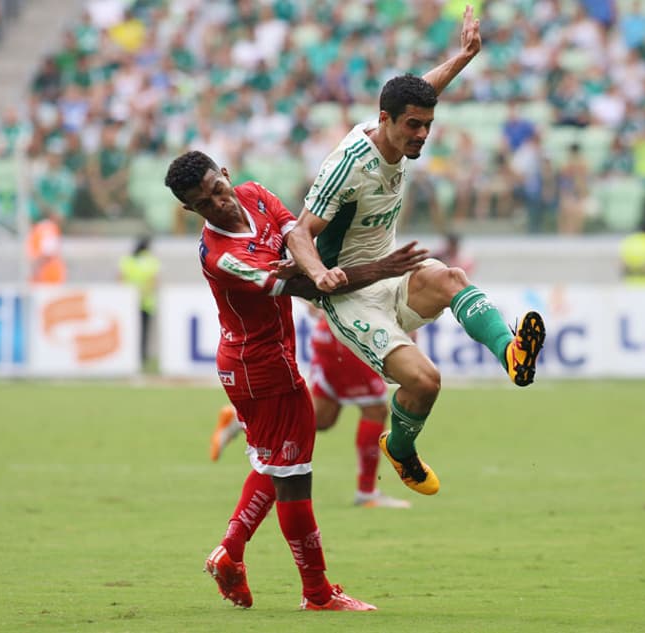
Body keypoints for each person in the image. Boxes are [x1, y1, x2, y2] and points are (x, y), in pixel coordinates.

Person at [285, 5, 546, 499]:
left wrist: (464, 56)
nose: (422, 134)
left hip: (392, 270)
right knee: (425, 381)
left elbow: (422, 89)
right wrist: (320, 276)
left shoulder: (396, 124)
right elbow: (300, 232)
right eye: (413, 125)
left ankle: (512, 355)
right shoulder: (347, 167)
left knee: (451, 278)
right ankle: (400, 450)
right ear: (385, 120)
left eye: (427, 124)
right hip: (350, 295)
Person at [164, 150, 431, 611]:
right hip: (259, 368)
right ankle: (317, 593)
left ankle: (230, 552)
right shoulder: (224, 256)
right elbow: (307, 286)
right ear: (190, 210)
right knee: (293, 477)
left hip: (269, 357)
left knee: (277, 464)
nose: (218, 204)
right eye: (203, 204)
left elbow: (299, 237)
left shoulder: (255, 194)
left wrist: (310, 264)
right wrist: (380, 269)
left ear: (226, 175)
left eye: (218, 190)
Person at [211, 307, 411, 510]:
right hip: (350, 337)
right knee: (375, 409)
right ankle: (366, 493)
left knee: (322, 418)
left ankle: (241, 419)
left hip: (335, 334)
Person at [118, 236, 160, 368]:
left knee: (129, 332)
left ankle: (131, 357)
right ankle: (142, 357)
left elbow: (120, 279)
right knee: (144, 332)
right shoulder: (150, 260)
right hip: (146, 302)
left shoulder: (127, 260)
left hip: (129, 303)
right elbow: (154, 281)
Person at [26, 210, 66, 284]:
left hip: (39, 273)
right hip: (49, 274)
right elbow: (48, 252)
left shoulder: (38, 228)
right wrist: (37, 270)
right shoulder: (50, 229)